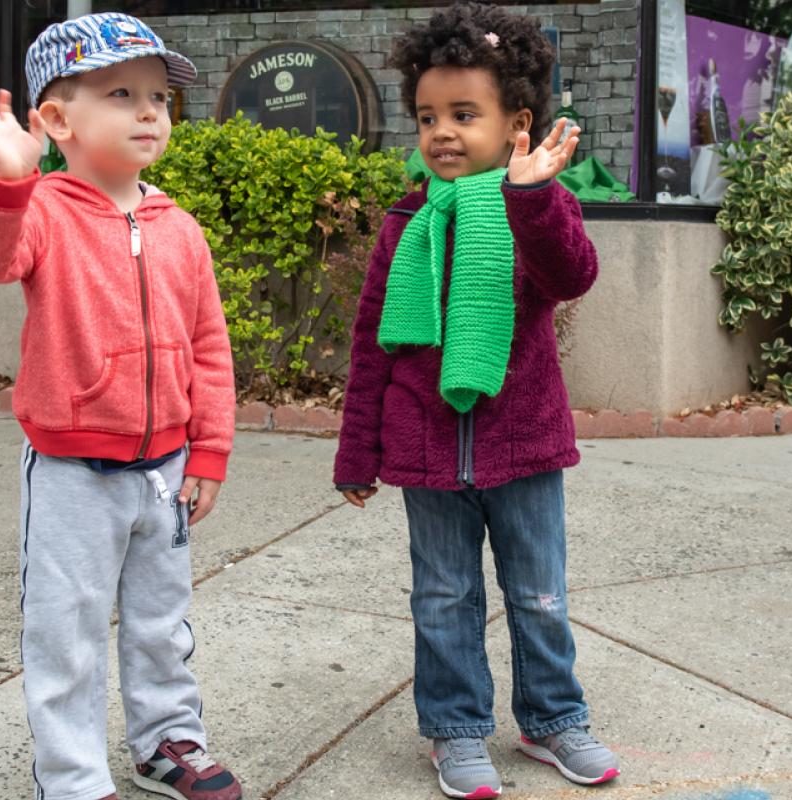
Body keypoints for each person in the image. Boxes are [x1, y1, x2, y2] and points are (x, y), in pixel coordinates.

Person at [333, 4, 621, 797]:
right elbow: (373, 345)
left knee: (540, 595)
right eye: (429, 116)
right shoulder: (407, 222)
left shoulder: (539, 208)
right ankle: (456, 729)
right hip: (425, 449)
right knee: (442, 597)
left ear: (516, 124)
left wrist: (532, 199)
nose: (443, 133)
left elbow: (572, 275)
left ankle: (553, 718)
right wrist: (358, 451)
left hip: (523, 445)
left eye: (465, 114)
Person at [0, 12, 241, 800]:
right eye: (122, 94)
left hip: (165, 471)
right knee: (66, 632)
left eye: (159, 97)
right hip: (72, 474)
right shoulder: (40, 210)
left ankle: (168, 742)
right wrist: (8, 180)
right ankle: (73, 776)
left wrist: (211, 449)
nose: (150, 111)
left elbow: (209, 346)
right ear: (56, 120)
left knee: (162, 624)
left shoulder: (179, 228)